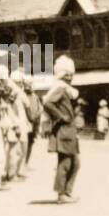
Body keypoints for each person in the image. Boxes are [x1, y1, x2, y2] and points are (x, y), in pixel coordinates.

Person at [44, 56, 81, 203]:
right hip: (64, 130)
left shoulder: (65, 89)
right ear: (61, 74)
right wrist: (62, 116)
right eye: (67, 74)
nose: (70, 77)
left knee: (75, 163)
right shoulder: (60, 88)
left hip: (69, 131)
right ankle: (62, 193)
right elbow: (48, 103)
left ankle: (66, 191)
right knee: (66, 163)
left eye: (71, 74)